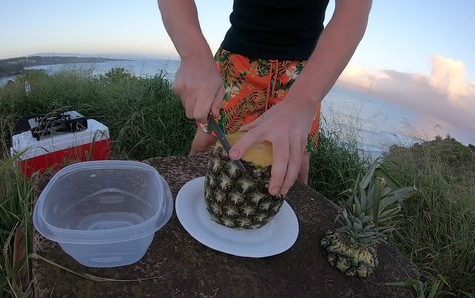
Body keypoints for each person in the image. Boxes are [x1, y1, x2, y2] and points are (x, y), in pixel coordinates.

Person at [158, 0, 372, 196]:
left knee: (293, 167)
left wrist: (304, 100)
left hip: (306, 75)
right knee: (205, 143)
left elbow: (353, 9)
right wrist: (193, 55)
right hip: (237, 60)